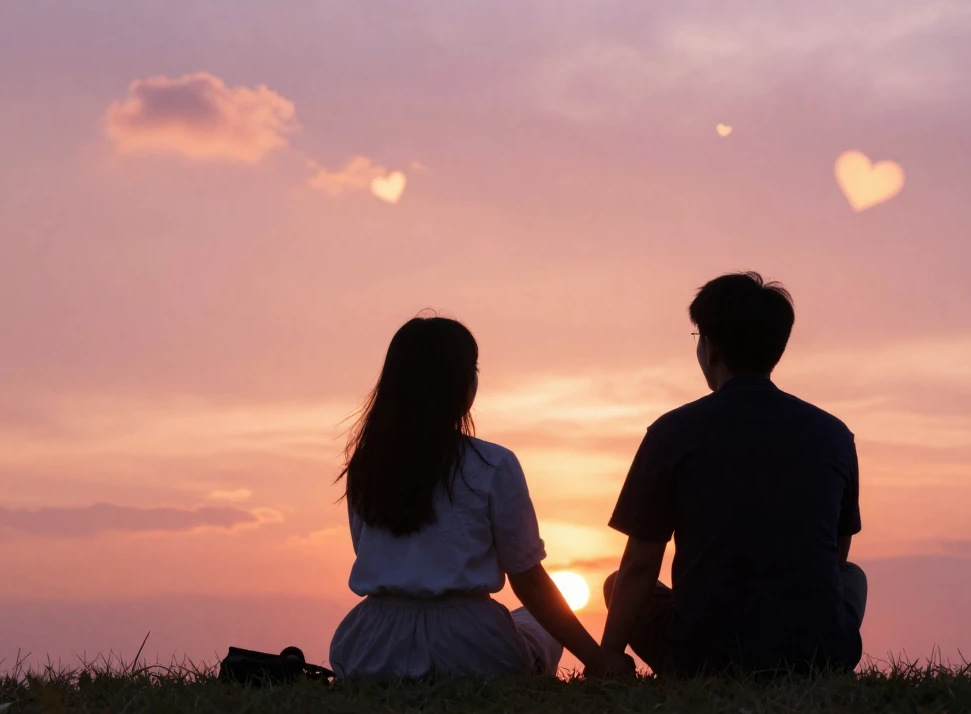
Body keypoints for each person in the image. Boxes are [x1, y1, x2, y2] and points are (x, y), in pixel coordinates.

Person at [330, 314, 633, 679]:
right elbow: (529, 581)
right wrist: (598, 659)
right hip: (470, 648)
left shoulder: (366, 465)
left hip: (373, 648)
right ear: (461, 386)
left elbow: (366, 552)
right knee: (539, 630)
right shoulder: (492, 463)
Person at [601, 272, 867, 677]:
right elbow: (835, 553)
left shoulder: (672, 433)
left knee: (616, 580)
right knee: (852, 577)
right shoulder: (834, 435)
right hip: (818, 658)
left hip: (702, 662)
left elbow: (640, 564)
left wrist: (606, 659)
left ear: (711, 349)